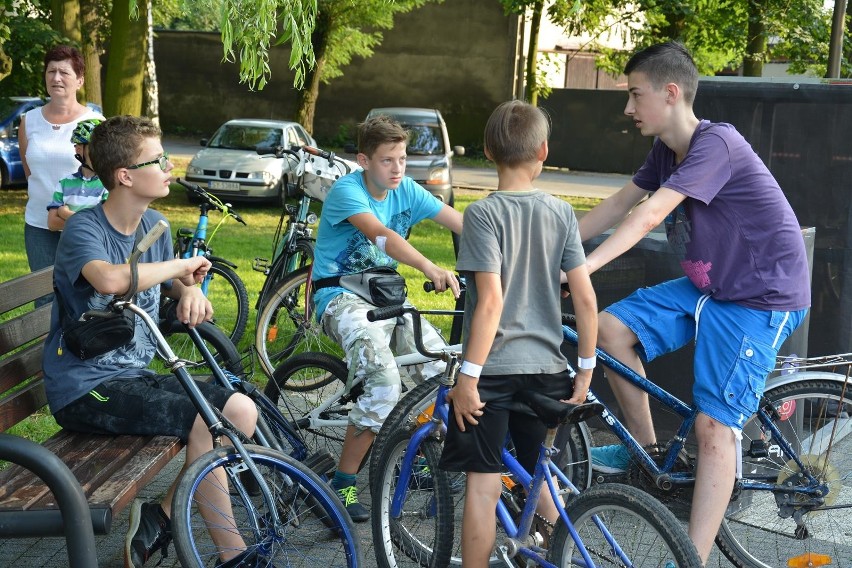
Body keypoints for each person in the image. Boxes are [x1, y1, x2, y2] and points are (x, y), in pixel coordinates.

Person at [577, 41, 810, 564]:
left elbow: (650, 214)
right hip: (712, 288)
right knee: (611, 330)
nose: (628, 108)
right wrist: (554, 249)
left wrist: (585, 267)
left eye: (635, 95)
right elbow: (620, 203)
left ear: (671, 92)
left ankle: (692, 558)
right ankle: (650, 457)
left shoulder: (716, 144)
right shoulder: (667, 149)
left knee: (713, 428)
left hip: (760, 297)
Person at [42, 115, 263, 568]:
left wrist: (190, 289)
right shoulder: (86, 229)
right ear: (124, 176)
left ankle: (160, 517)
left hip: (135, 376)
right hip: (86, 388)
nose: (168, 165)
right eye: (156, 159)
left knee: (241, 410)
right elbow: (110, 278)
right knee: (205, 423)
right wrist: (180, 269)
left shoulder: (154, 226)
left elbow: (168, 288)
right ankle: (232, 555)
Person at [437, 100, 598, 566]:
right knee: (542, 481)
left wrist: (467, 379)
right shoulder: (562, 213)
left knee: (483, 487)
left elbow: (489, 302)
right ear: (544, 150)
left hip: (493, 373)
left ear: (488, 151)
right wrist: (584, 370)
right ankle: (562, 555)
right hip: (549, 368)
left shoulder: (483, 216)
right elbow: (585, 300)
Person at [311, 115, 463, 521]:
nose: (398, 168)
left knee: (440, 367)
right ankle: (341, 484)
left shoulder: (408, 189)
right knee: (383, 382)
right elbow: (382, 236)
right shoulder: (347, 191)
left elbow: (459, 222)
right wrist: (431, 268)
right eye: (387, 160)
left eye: (402, 158)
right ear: (364, 160)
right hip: (340, 296)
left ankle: (418, 454)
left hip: (383, 293)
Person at [19, 45, 104, 276]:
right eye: (51, 71)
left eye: (64, 72)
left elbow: (105, 176)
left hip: (83, 226)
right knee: (44, 298)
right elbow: (31, 173)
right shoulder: (29, 120)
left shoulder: (96, 123)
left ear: (79, 81)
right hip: (39, 225)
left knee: (86, 295)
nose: (56, 78)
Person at [46, 118, 108, 232]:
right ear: (79, 149)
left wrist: (65, 213)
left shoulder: (108, 184)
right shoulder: (65, 183)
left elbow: (104, 224)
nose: (101, 153)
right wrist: (88, 222)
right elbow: (52, 223)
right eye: (95, 148)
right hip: (69, 247)